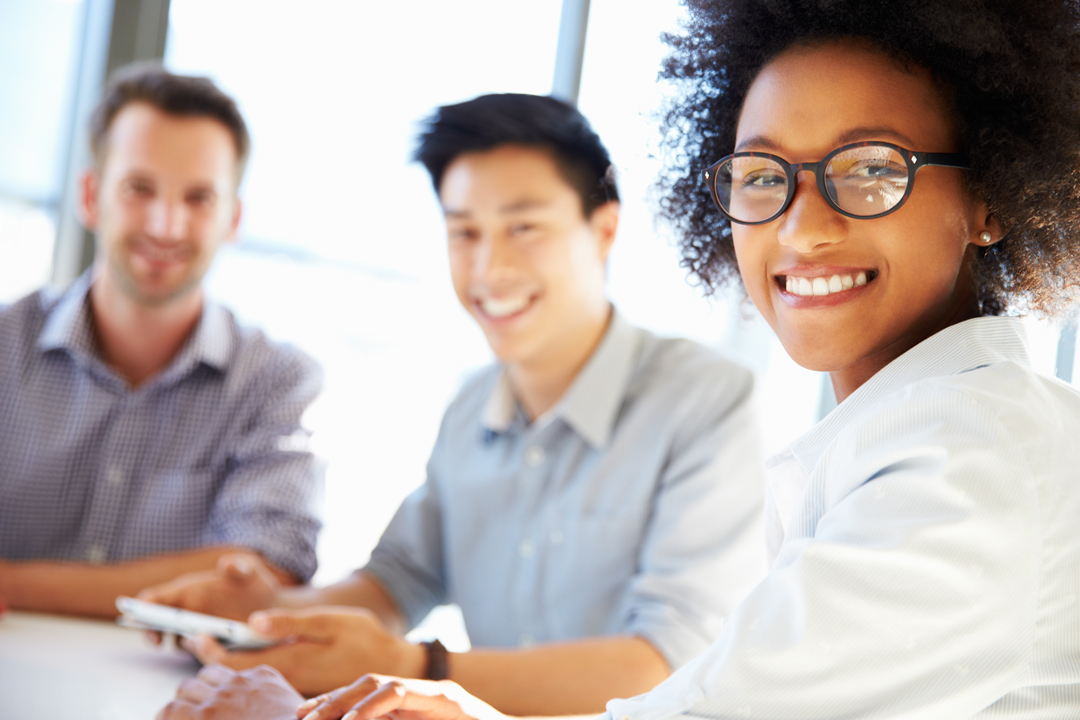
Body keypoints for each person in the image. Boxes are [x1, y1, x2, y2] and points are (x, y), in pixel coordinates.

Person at [155, 0, 1080, 718]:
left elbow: (690, 690)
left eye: (872, 167)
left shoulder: (972, 454)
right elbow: (401, 576)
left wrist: (358, 691)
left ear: (993, 195)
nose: (803, 224)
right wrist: (275, 620)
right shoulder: (905, 431)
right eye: (763, 176)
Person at [143, 93, 767, 715]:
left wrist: (415, 667)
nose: (489, 267)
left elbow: (670, 663)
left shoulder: (705, 402)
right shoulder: (471, 407)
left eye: (524, 227)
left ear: (603, 229)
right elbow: (397, 581)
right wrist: (266, 614)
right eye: (464, 232)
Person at [0, 64, 324, 619]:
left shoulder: (276, 382)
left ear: (233, 218)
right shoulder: (7, 347)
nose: (167, 225)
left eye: (198, 198)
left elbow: (267, 571)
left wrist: (13, 585)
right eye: (138, 188)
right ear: (90, 195)